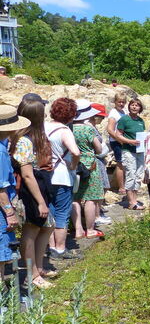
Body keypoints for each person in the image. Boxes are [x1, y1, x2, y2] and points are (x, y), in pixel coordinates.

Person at [10, 99, 55, 289]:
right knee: (31, 230)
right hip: (30, 191)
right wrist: (40, 202)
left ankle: (37, 268)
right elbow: (27, 175)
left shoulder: (26, 138)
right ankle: (32, 274)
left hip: (37, 187)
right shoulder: (24, 141)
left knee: (46, 226)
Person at [44, 98, 81, 259]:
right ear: (71, 114)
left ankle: (50, 246)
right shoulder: (65, 130)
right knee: (62, 213)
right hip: (61, 175)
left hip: (45, 174)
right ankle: (60, 249)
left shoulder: (43, 126)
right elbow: (76, 152)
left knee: (49, 212)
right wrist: (73, 165)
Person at [0, 105, 29, 283]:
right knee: (1, 257)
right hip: (1, 212)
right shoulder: (1, 152)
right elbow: (1, 188)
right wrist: (10, 213)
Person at [71, 100, 105, 240]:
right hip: (90, 165)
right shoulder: (88, 129)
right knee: (90, 198)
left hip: (74, 165)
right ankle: (90, 229)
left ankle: (78, 229)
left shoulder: (69, 128)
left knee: (75, 198)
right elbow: (98, 148)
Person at [116, 98, 146, 210]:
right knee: (130, 175)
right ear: (129, 107)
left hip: (139, 151)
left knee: (138, 176)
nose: (134, 107)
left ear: (140, 108)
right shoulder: (124, 119)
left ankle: (135, 199)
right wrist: (129, 141)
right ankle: (131, 202)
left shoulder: (141, 121)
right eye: (132, 105)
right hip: (128, 150)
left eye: (137, 105)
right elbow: (118, 134)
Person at [91, 103, 112, 225]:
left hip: (100, 160)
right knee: (99, 188)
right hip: (97, 159)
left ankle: (98, 212)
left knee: (103, 186)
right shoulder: (90, 128)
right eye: (101, 116)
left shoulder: (94, 127)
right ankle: (96, 215)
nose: (103, 119)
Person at [107, 92, 127, 195]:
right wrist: (119, 139)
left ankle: (124, 184)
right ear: (115, 102)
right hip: (116, 141)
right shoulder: (113, 113)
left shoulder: (123, 112)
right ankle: (121, 187)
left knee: (124, 163)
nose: (121, 104)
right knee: (120, 163)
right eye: (119, 102)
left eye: (123, 102)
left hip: (123, 140)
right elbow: (110, 130)